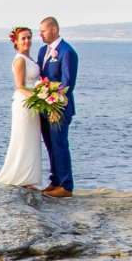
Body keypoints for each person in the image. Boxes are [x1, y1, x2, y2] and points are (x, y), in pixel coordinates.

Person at [0, 26, 46, 187]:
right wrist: (40, 97)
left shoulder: (31, 59)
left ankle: (29, 177)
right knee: (23, 138)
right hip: (24, 104)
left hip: (33, 105)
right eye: (23, 38)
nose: (27, 41)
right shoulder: (20, 60)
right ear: (16, 42)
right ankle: (19, 176)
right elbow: (20, 86)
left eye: (29, 37)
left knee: (31, 140)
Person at [35, 16, 78, 197]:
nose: (40, 34)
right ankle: (55, 181)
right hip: (44, 106)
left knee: (60, 144)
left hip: (59, 107)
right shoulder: (43, 50)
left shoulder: (67, 52)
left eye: (43, 31)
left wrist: (53, 98)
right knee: (50, 145)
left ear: (53, 30)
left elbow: (68, 83)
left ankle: (66, 185)